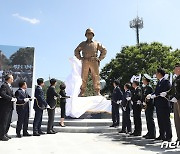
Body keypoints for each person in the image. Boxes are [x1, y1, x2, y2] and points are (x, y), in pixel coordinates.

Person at [74, 28, 107, 96]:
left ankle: (97, 91)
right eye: (88, 34)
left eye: (91, 33)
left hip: (94, 61)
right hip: (85, 61)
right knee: (83, 77)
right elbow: (76, 51)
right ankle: (82, 91)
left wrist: (99, 58)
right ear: (85, 35)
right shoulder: (82, 44)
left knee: (96, 76)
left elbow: (104, 50)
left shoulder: (96, 43)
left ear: (93, 35)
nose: (89, 35)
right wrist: (80, 58)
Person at [151, 68, 172, 141]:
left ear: (160, 74)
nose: (156, 75)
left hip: (164, 104)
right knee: (160, 120)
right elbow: (156, 91)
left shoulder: (166, 81)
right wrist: (151, 95)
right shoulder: (159, 82)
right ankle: (162, 134)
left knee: (166, 120)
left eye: (156, 73)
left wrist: (157, 94)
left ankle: (168, 136)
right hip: (158, 104)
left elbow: (168, 90)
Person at [0, 74, 17, 141]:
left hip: (10, 107)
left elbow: (12, 95)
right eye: (12, 78)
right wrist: (11, 99)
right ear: (9, 79)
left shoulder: (10, 86)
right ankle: (1, 135)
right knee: (4, 121)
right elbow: (2, 94)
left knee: (8, 121)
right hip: (5, 107)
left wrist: (14, 98)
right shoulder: (4, 85)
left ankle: (5, 133)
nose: (13, 79)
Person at [142, 74, 156, 139]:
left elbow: (150, 97)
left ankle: (152, 133)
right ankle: (149, 132)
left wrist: (146, 102)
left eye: (144, 80)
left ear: (146, 81)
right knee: (148, 119)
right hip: (147, 105)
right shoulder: (146, 87)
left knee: (150, 119)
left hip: (149, 105)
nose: (143, 81)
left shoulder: (149, 87)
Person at [169, 63, 180, 142]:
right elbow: (172, 90)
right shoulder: (176, 79)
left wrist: (177, 97)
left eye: (175, 69)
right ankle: (179, 137)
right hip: (176, 102)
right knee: (177, 120)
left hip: (178, 100)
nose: (174, 71)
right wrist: (166, 93)